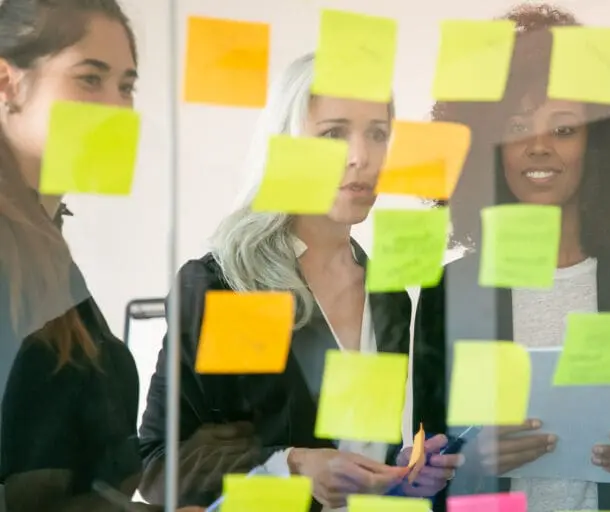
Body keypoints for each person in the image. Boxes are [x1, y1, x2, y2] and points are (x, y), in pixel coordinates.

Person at [412, 4, 610, 512]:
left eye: (563, 129)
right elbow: (420, 462)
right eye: (518, 127)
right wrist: (473, 457)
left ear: (600, 144)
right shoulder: (448, 290)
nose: (538, 147)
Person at [137, 53, 462, 512]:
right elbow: (159, 468)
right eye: (333, 133)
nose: (360, 157)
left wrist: (398, 473)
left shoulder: (387, 297)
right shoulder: (228, 286)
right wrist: (291, 466)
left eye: (377, 134)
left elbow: (355, 450)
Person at [0, 1, 202, 511]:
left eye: (127, 86)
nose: (117, 109)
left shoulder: (41, 245)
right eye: (90, 80)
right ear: (7, 85)